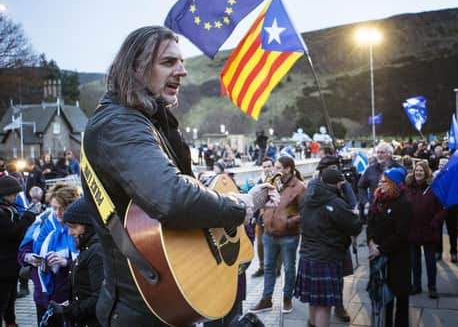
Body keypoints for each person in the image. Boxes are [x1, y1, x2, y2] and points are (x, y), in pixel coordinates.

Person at [80, 26, 272, 325]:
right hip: (140, 307)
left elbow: (175, 183)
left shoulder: (144, 120)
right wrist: (240, 205)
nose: (182, 71)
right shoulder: (118, 124)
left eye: (181, 62)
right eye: (168, 62)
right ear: (135, 68)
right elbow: (171, 196)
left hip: (161, 296)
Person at [295, 168, 361, 327]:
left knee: (314, 300)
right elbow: (355, 227)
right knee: (324, 305)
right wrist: (355, 213)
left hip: (307, 255)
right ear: (339, 184)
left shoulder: (307, 197)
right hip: (327, 258)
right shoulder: (336, 203)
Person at [251, 156, 306, 314]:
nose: (274, 170)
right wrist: (262, 215)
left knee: (289, 268)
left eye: (278, 167)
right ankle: (266, 299)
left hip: (288, 235)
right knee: (268, 268)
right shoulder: (273, 182)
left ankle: (287, 298)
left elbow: (305, 212)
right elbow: (262, 201)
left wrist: (288, 222)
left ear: (288, 169)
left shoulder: (299, 187)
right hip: (269, 233)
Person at [20, 183, 80, 326]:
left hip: (67, 296)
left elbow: (89, 260)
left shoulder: (79, 225)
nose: (58, 212)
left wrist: (65, 262)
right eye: (54, 208)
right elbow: (23, 250)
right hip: (42, 294)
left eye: (62, 208)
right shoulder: (41, 222)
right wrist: (29, 257)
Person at [46, 197, 104, 327]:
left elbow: (100, 298)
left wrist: (67, 311)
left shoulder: (96, 252)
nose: (70, 232)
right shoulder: (88, 247)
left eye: (74, 227)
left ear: (89, 226)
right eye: (68, 227)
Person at [367, 167, 411, 327]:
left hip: (397, 257)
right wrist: (371, 242)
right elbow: (370, 223)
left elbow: (402, 234)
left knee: (398, 294)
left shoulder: (404, 203)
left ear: (394, 183)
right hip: (377, 254)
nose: (380, 184)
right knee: (382, 294)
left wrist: (380, 248)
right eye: (381, 180)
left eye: (384, 181)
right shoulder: (378, 199)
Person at [0, 176, 37, 327]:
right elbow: (14, 233)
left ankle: (11, 323)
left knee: (10, 298)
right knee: (3, 300)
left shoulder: (8, 209)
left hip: (9, 265)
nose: (15, 197)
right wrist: (29, 215)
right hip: (3, 266)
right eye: (13, 194)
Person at [406, 161, 445, 299]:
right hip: (413, 230)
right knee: (414, 262)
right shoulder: (409, 187)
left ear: (427, 172)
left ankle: (432, 287)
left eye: (421, 171)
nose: (418, 173)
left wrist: (434, 223)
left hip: (429, 230)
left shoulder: (433, 188)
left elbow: (442, 209)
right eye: (417, 170)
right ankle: (416, 286)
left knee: (430, 261)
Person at [357, 142, 401, 213]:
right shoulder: (370, 169)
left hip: (394, 210)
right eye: (378, 152)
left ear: (390, 154)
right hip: (374, 210)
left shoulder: (399, 169)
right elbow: (361, 186)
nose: (379, 155)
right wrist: (365, 202)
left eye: (382, 152)